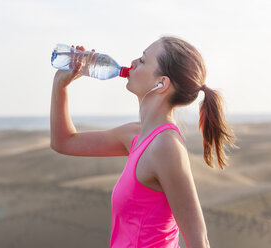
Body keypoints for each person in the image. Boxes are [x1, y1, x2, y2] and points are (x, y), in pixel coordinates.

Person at [50, 36, 238, 248]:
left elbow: (199, 241)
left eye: (142, 60)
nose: (132, 62)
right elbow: (64, 142)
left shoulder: (166, 146)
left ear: (161, 83)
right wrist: (60, 84)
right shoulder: (136, 135)